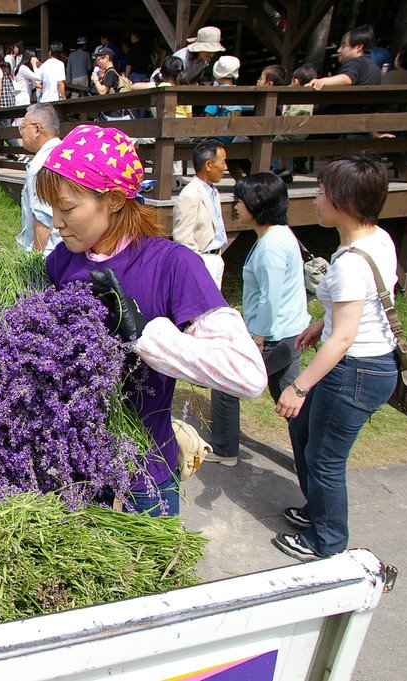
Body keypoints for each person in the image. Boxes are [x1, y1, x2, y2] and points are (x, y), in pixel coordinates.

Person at [38, 124, 266, 515]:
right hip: (75, 473)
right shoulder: (62, 262)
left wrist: (147, 336)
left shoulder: (172, 265)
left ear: (111, 199)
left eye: (68, 208)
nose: (56, 222)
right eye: (52, 208)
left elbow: (248, 373)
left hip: (145, 474)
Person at [272, 155, 398, 562]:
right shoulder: (376, 239)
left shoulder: (350, 263)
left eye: (322, 193)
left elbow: (344, 338)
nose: (315, 199)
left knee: (324, 459)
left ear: (343, 201)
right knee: (304, 434)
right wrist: (319, 326)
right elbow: (351, 316)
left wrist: (298, 384)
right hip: (360, 364)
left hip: (354, 371)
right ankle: (317, 512)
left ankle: (327, 542)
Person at [207, 173, 311, 467]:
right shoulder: (279, 235)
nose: (235, 207)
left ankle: (225, 450)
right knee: (290, 400)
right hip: (290, 333)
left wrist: (257, 336)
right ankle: (309, 458)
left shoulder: (271, 246)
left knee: (226, 384)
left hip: (276, 336)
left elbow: (270, 298)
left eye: (238, 201)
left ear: (255, 203)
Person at [172, 139, 228, 288]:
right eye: (222, 162)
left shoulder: (213, 191)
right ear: (209, 165)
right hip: (203, 260)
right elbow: (182, 237)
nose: (225, 167)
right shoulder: (190, 194)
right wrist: (199, 264)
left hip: (215, 257)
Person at [14, 103, 62, 255]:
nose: (21, 132)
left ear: (36, 129)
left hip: (48, 253)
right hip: (65, 248)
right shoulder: (63, 152)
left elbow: (42, 217)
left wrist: (36, 261)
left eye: (22, 127)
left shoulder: (39, 167)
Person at [307, 25, 382, 90]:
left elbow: (348, 78)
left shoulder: (355, 62)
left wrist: (322, 81)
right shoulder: (376, 69)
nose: (339, 50)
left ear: (358, 47)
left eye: (343, 46)